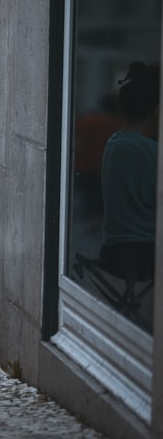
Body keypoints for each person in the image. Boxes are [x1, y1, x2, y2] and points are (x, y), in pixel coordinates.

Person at [98, 61, 158, 325]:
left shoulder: (115, 142)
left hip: (114, 252)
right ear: (157, 112)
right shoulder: (151, 152)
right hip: (146, 257)